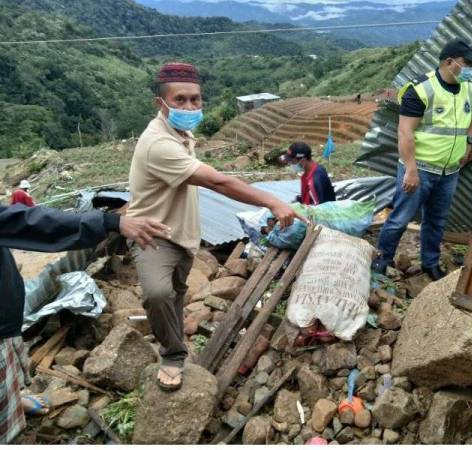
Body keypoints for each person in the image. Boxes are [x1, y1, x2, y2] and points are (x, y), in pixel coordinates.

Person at [127, 62, 301, 391]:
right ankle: (173, 354)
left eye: (196, 100)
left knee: (176, 295)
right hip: (150, 233)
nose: (190, 107)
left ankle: (173, 333)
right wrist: (273, 201)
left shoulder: (179, 132)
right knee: (157, 293)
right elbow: (218, 182)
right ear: (159, 104)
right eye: (180, 100)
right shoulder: (157, 144)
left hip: (183, 233)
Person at [0, 203, 170, 444]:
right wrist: (110, 222)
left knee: (11, 371)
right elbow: (27, 222)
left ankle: (15, 402)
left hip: (7, 318)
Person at [372, 38, 472, 280]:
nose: (471, 69)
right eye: (467, 63)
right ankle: (381, 262)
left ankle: (430, 263)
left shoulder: (470, 88)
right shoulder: (421, 89)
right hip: (420, 170)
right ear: (449, 61)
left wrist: (469, 141)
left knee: (436, 220)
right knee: (400, 218)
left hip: (449, 172)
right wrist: (411, 170)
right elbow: (405, 132)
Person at [281, 142, 336, 206]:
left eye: (292, 162)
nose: (291, 164)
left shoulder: (314, 181)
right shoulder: (315, 169)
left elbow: (317, 210)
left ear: (303, 161)